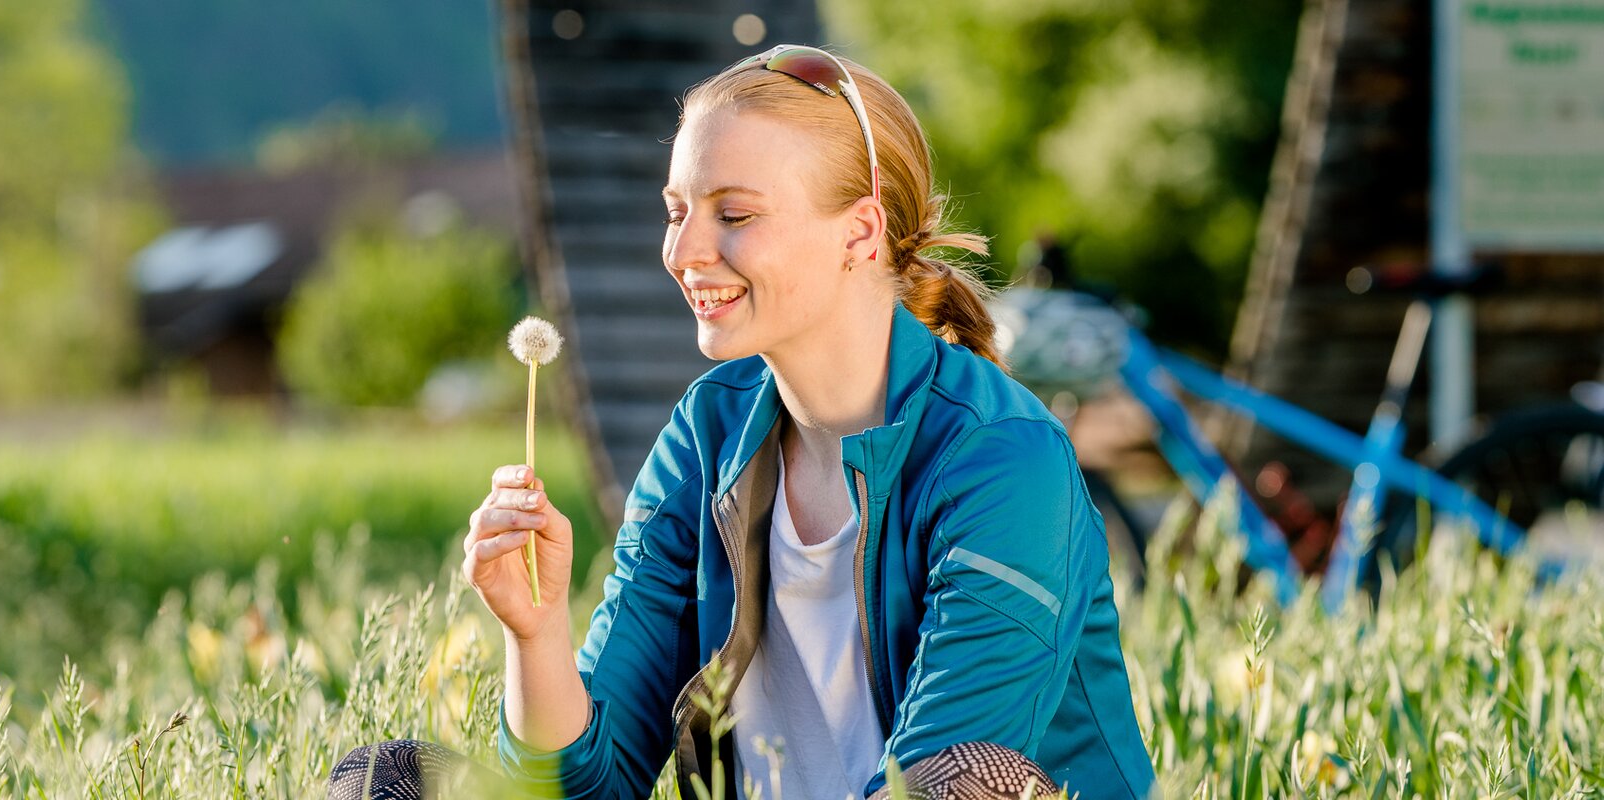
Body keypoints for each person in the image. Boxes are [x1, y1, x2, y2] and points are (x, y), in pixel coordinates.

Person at [340, 44, 1157, 800]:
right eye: (676, 210)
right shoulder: (706, 436)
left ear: (860, 232)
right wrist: (536, 630)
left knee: (966, 782)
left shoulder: (1000, 460)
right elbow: (585, 788)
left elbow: (942, 780)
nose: (685, 250)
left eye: (734, 215)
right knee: (387, 781)